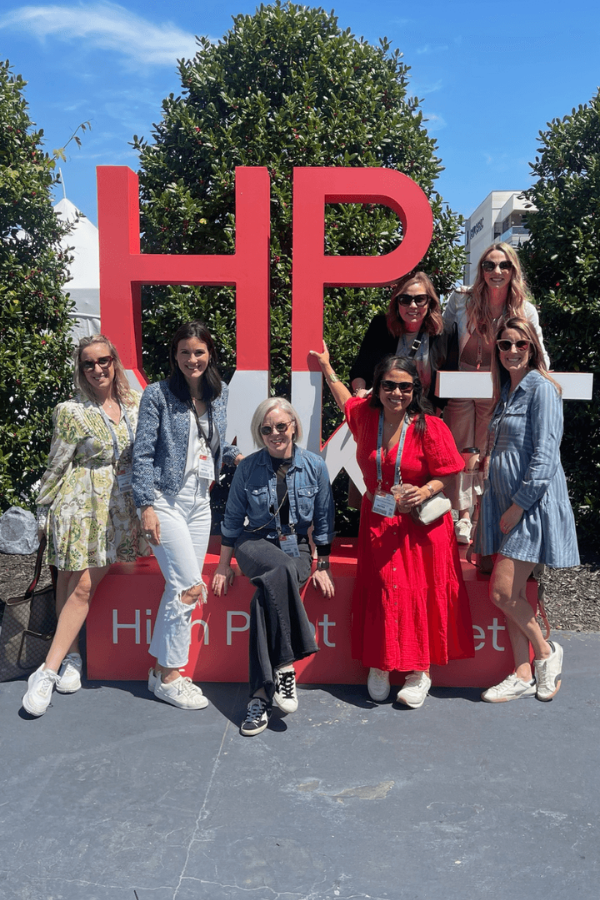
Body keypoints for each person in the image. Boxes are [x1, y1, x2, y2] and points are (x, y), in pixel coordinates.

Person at [311, 345, 475, 710]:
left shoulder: (429, 426)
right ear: (377, 387)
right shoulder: (365, 417)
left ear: (414, 390)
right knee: (384, 589)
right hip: (380, 520)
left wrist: (424, 490)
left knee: (418, 592)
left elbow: (450, 470)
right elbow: (343, 400)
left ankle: (419, 671)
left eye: (404, 386)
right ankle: (381, 664)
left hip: (421, 526)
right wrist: (327, 367)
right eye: (388, 385)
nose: (396, 393)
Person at [23, 335, 148, 716]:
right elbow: (57, 462)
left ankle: (65, 657)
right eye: (88, 364)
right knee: (76, 584)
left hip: (119, 506)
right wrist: (43, 510)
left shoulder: (135, 403)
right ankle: (55, 667)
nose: (97, 369)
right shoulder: (70, 411)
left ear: (115, 362)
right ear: (81, 370)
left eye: (103, 361)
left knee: (76, 583)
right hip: (78, 504)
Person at [132, 321, 241, 710]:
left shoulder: (220, 392)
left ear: (209, 353)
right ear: (174, 355)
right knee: (189, 586)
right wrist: (145, 505)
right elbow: (142, 455)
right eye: (184, 352)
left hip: (199, 501)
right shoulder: (157, 395)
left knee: (178, 587)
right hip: (165, 498)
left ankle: (160, 672)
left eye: (198, 352)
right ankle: (171, 675)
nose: (191, 359)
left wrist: (234, 457)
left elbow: (210, 447)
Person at [212, 398, 335, 736]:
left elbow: (323, 521)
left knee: (266, 594)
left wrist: (321, 564)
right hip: (254, 544)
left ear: (294, 425)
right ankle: (286, 663)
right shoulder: (248, 467)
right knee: (279, 571)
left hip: (296, 548)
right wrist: (224, 565)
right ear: (260, 433)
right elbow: (233, 519)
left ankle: (259, 697)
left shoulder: (315, 466)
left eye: (282, 426)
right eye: (267, 429)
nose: (275, 434)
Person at [476, 317, 579, 703]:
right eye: (505, 345)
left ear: (533, 348)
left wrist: (518, 507)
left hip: (529, 507)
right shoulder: (507, 392)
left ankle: (548, 653)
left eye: (521, 344)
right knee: (515, 591)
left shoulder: (542, 389)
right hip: (505, 504)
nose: (512, 351)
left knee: (502, 593)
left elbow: (545, 456)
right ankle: (522, 673)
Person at [443, 242, 549, 546]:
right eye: (489, 265)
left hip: (497, 385)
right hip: (460, 381)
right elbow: (443, 336)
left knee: (488, 451)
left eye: (503, 266)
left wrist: (541, 383)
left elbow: (538, 349)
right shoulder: (462, 299)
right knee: (461, 450)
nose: (496, 271)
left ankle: (479, 518)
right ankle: (462, 514)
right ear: (481, 270)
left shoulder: (523, 309)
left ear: (513, 270)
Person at [350, 271, 446, 406]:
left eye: (420, 299)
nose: (412, 306)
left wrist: (431, 416)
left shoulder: (443, 333)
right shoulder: (380, 327)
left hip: (425, 412)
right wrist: (360, 392)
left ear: (430, 302)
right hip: (383, 409)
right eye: (405, 300)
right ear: (397, 303)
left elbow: (446, 383)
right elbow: (360, 369)